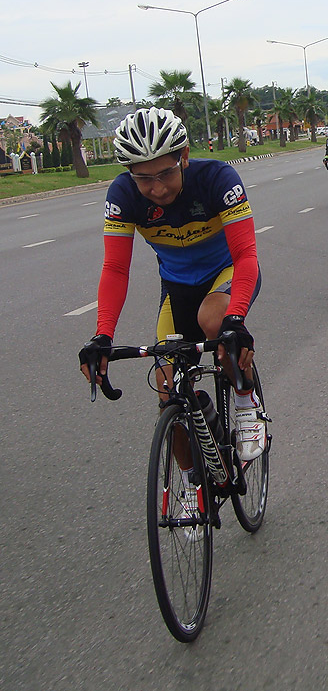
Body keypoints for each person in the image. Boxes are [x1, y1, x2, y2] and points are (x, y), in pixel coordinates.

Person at [77, 108, 267, 514]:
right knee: (168, 393)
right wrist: (102, 336)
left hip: (227, 274)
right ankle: (192, 485)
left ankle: (246, 400)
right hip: (177, 288)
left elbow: (246, 254)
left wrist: (236, 320)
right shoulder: (123, 195)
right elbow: (115, 268)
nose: (157, 187)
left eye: (165, 173)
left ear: (184, 157)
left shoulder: (217, 179)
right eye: (143, 177)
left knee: (214, 322)